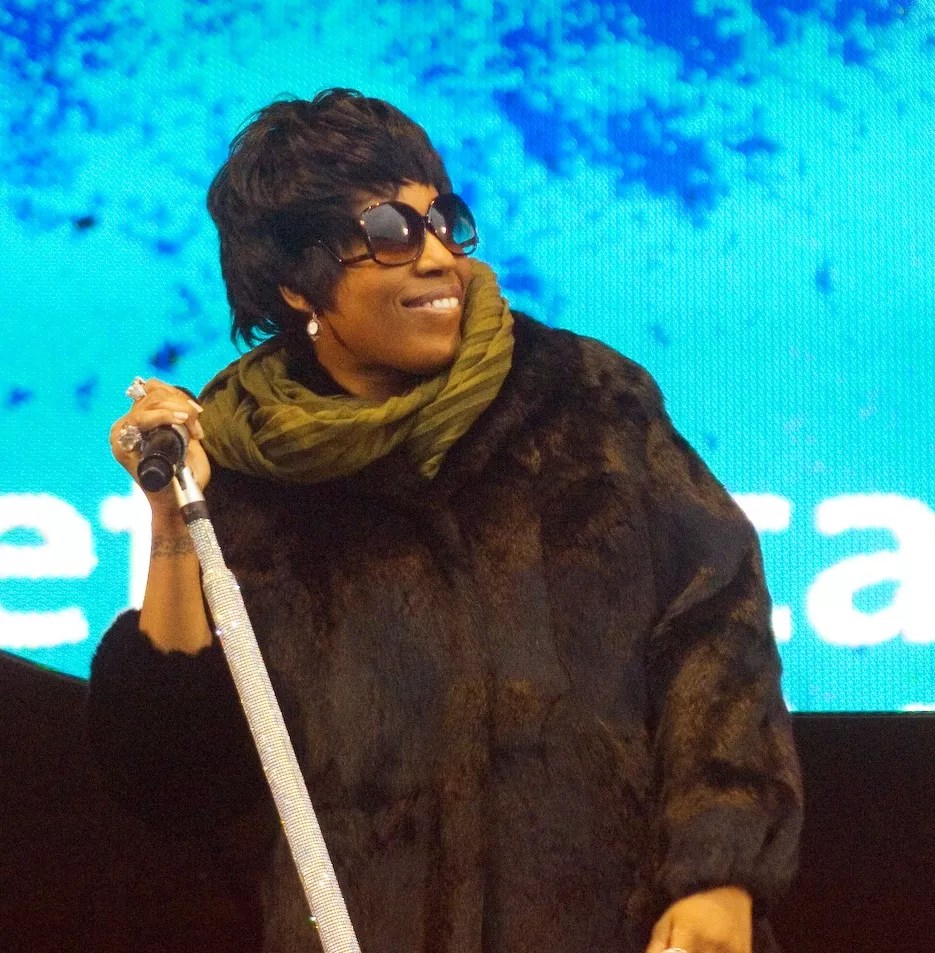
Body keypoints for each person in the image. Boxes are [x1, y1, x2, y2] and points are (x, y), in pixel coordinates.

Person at [88, 89, 802, 953]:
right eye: (391, 232)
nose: (438, 259)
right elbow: (175, 781)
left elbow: (716, 628)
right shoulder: (241, 468)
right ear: (295, 282)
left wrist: (718, 871)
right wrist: (173, 523)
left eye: (441, 223)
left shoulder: (584, 403)